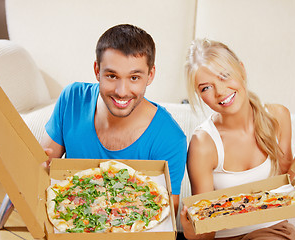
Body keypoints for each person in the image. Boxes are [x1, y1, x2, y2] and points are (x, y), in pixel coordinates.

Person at [179, 39, 295, 239]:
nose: (220, 91)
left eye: (224, 76)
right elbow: (206, 231)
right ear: (199, 95)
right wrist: (190, 232)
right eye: (206, 88)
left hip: (273, 231)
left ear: (242, 71)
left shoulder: (278, 117)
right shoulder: (203, 144)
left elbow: (287, 189)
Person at [41, 24, 187, 214]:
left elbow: (163, 217)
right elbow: (43, 169)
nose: (122, 91)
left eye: (134, 78)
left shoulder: (171, 139)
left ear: (150, 75)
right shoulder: (72, 99)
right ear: (96, 70)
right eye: (112, 75)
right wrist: (37, 167)